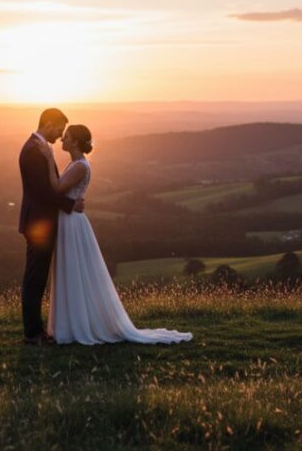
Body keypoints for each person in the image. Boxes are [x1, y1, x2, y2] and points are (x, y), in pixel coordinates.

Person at [35, 124, 192, 345]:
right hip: (68, 220)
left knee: (73, 269)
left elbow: (56, 188)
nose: (62, 140)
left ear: (76, 142)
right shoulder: (75, 163)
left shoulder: (80, 166)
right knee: (70, 270)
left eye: (67, 137)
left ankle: (77, 325)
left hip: (72, 224)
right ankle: (70, 323)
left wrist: (48, 159)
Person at [18, 108, 84, 345]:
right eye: (59, 129)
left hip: (40, 223)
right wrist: (71, 204)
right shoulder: (33, 152)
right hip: (38, 225)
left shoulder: (38, 148)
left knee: (38, 276)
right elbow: (43, 192)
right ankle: (32, 333)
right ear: (48, 124)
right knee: (35, 278)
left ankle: (35, 330)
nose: (60, 135)